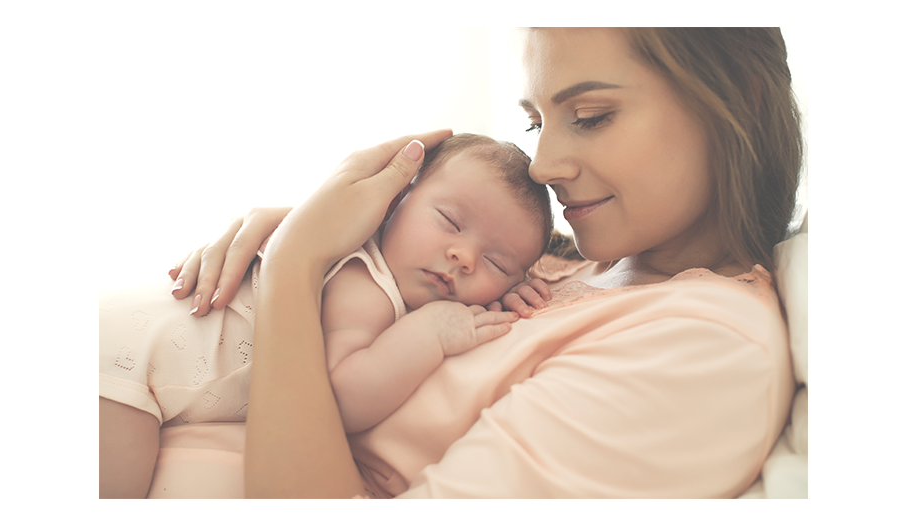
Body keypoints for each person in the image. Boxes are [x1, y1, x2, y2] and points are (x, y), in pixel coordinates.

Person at [109, 27, 803, 498]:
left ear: (734, 99)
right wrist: (308, 243)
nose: (543, 165)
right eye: (535, 122)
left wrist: (294, 266)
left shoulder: (702, 346)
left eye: (589, 115)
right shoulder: (567, 267)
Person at [99, 133, 555, 497]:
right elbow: (341, 398)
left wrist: (512, 288)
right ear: (394, 202)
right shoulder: (364, 281)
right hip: (124, 363)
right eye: (450, 222)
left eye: (497, 263)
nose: (464, 257)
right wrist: (430, 334)